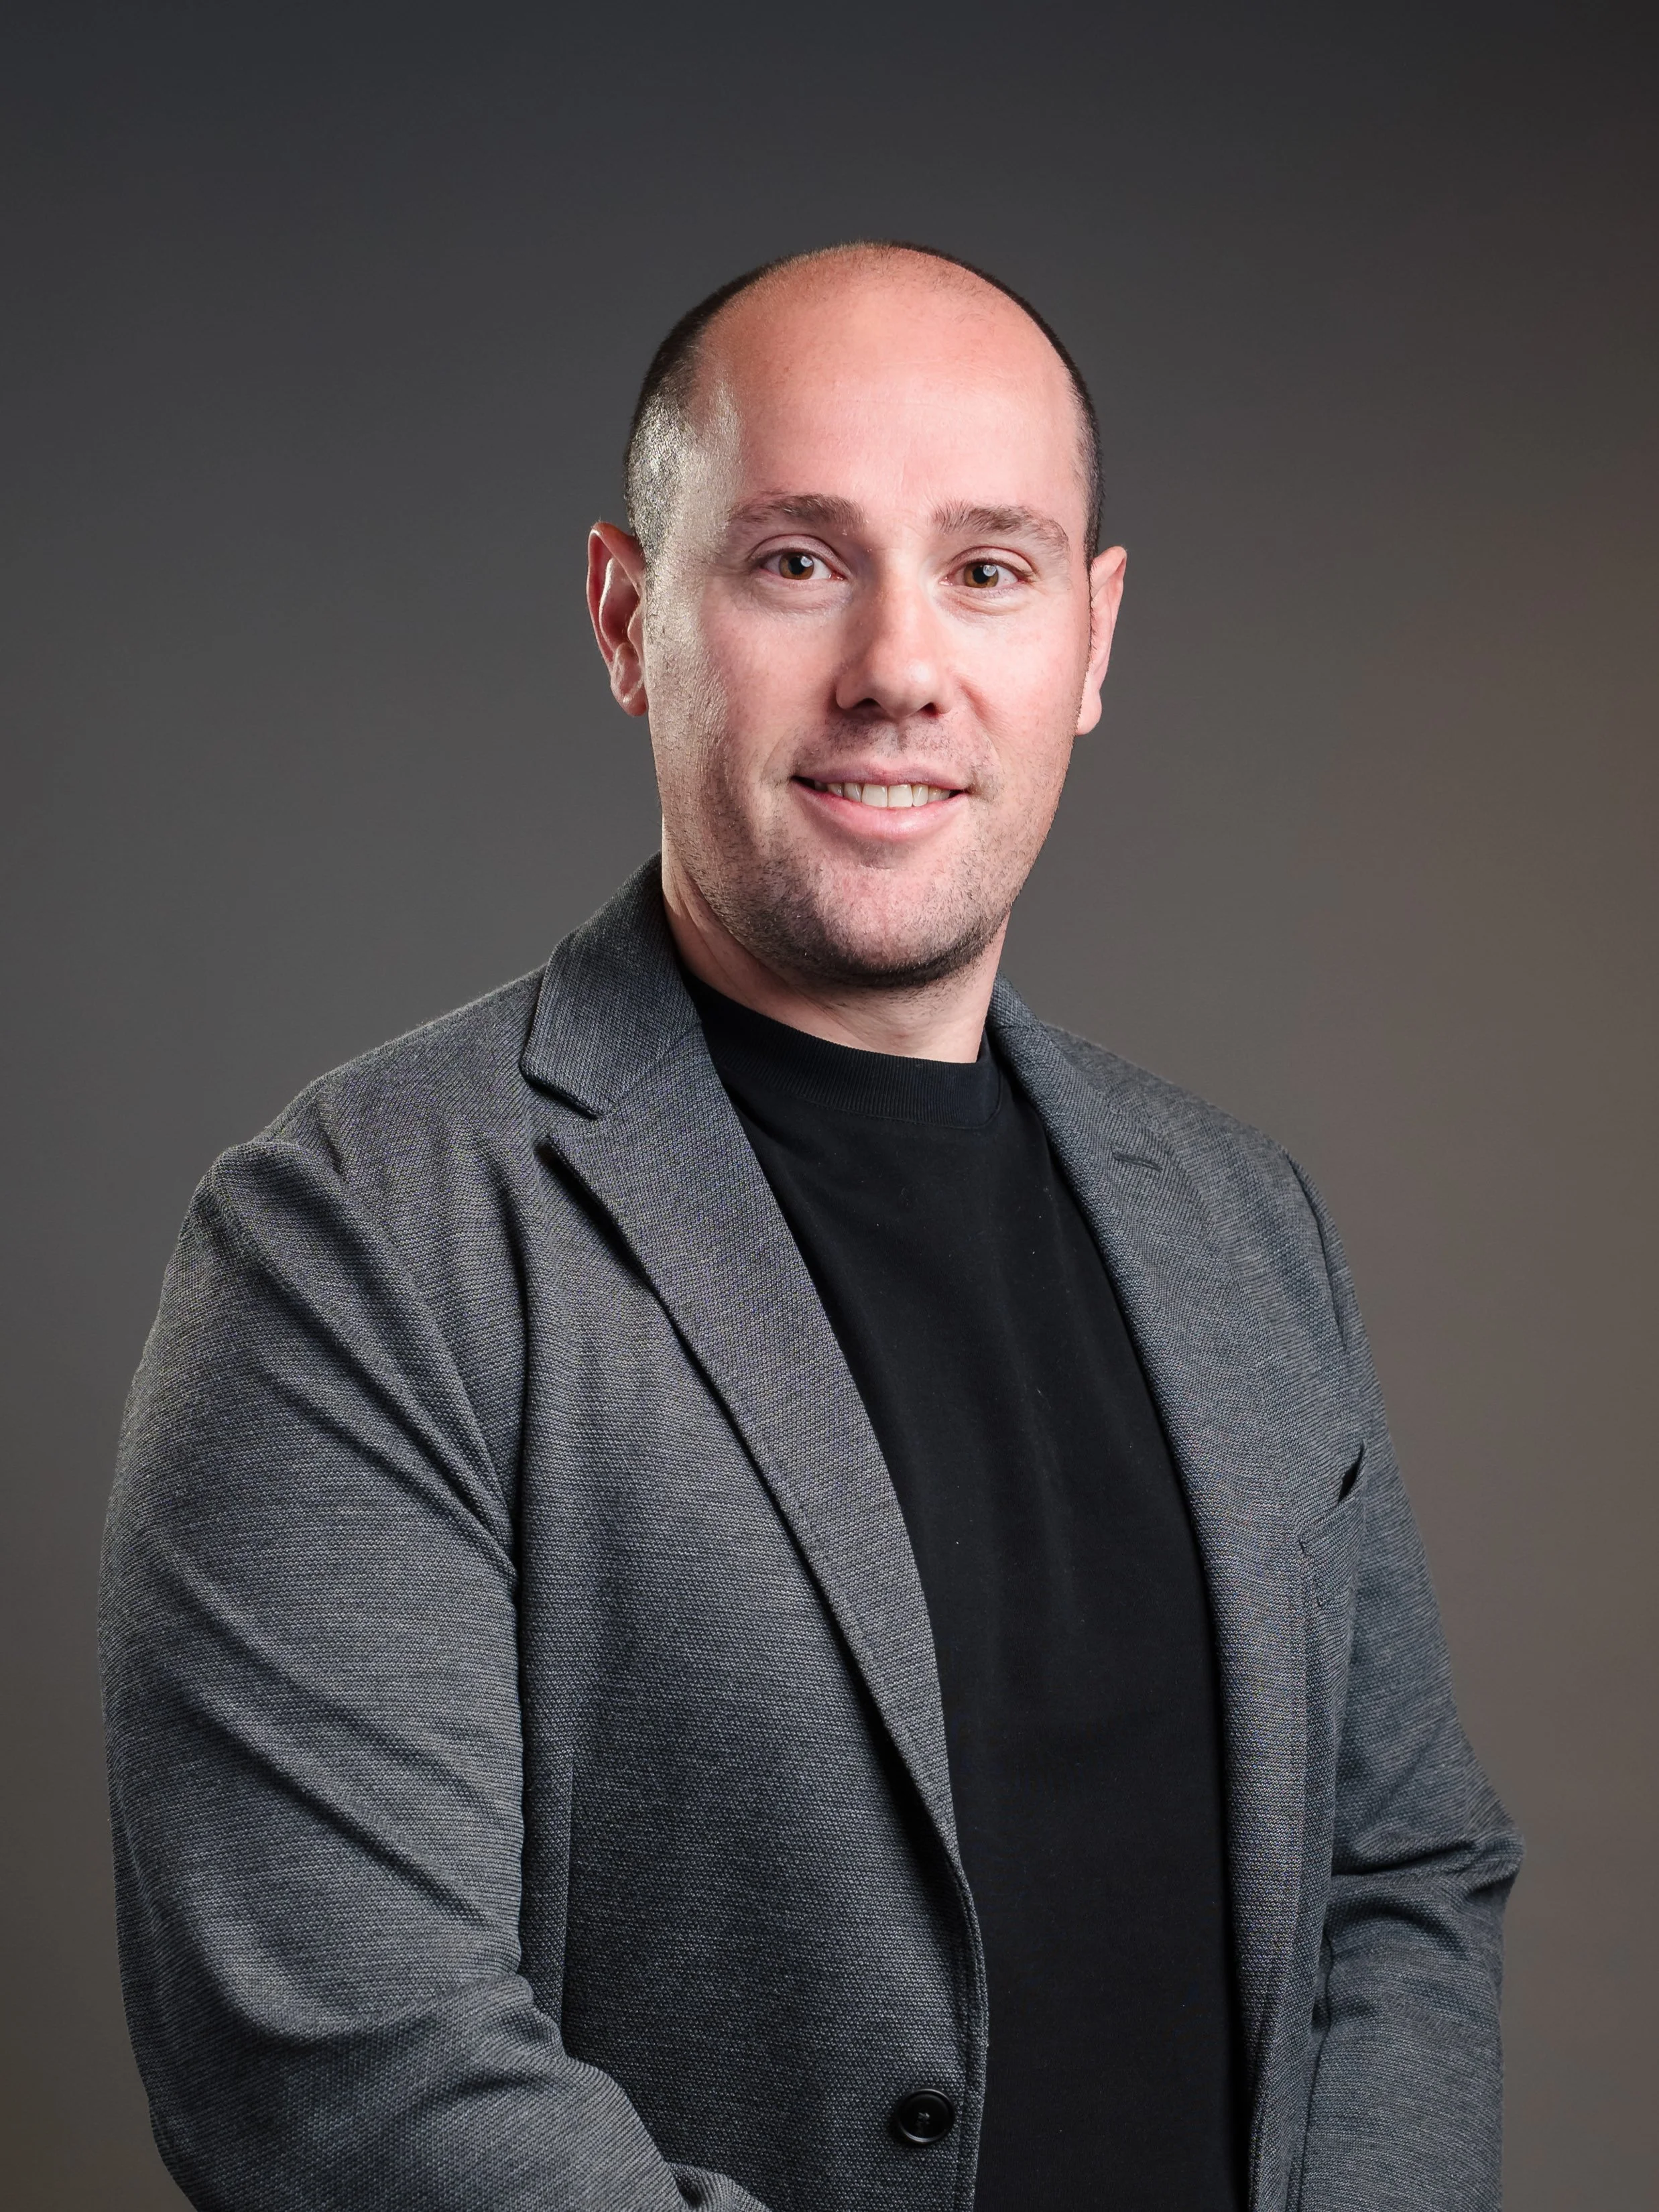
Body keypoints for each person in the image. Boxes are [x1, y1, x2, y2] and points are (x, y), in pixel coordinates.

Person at [101, 242, 1521, 2212]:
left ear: (1092, 644)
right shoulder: (356, 1241)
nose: (901, 668)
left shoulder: (1241, 1221)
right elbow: (347, 2069)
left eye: (991, 567)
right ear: (627, 614)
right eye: (797, 559)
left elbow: (1401, 1880)